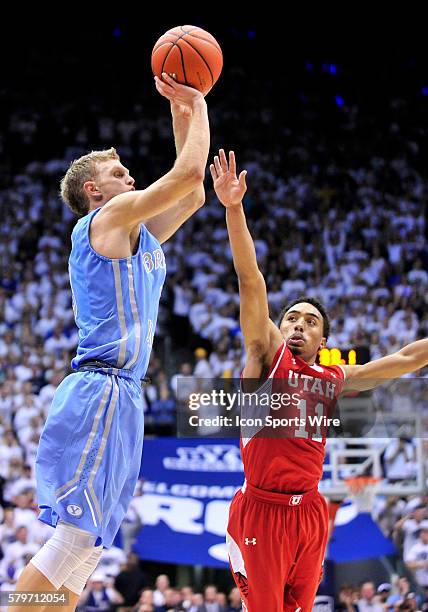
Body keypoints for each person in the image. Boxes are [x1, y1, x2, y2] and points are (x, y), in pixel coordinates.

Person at [10, 73, 210, 612]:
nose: (130, 176)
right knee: (72, 539)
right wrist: (198, 100)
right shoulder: (107, 216)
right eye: (118, 172)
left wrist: (179, 111)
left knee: (91, 548)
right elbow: (189, 170)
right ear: (94, 191)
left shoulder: (136, 231)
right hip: (98, 388)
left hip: (124, 394)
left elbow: (193, 193)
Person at [209, 148, 428, 612]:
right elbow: (251, 280)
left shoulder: (332, 376)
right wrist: (233, 208)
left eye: (309, 321)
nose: (298, 325)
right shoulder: (266, 357)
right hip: (261, 511)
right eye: (291, 318)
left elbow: (406, 357)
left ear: (323, 338)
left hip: (309, 510)